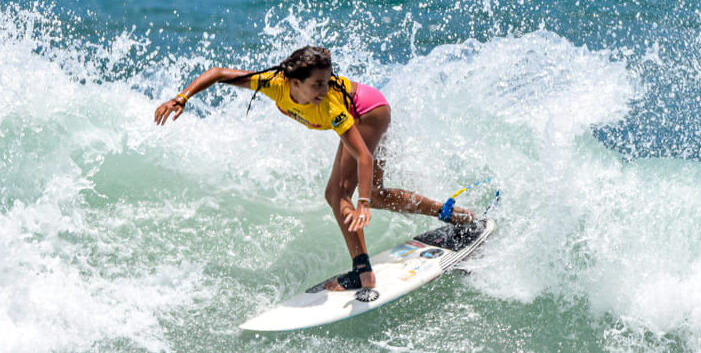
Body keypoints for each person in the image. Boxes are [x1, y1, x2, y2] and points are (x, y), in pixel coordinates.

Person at [154, 46, 474, 291]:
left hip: (368, 111)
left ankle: (363, 272)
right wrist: (182, 97)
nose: (324, 88)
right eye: (318, 84)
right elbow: (220, 72)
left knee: (337, 194)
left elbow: (363, 156)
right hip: (371, 104)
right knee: (376, 193)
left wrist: (359, 202)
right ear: (294, 83)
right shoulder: (272, 84)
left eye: (327, 81)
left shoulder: (332, 105)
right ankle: (454, 214)